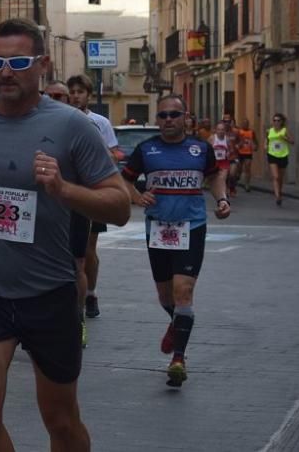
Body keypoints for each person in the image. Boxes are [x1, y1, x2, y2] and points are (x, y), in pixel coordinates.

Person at [0, 18, 130, 452]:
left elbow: (119, 206)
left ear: (41, 63)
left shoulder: (71, 126)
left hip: (51, 292)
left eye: (18, 62)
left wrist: (64, 189)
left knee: (61, 422)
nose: (6, 71)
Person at [121, 94, 231, 388]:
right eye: (163, 116)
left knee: (184, 292)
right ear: (157, 120)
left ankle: (178, 359)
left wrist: (222, 199)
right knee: (166, 297)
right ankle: (177, 323)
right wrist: (137, 196)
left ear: (186, 117)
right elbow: (125, 179)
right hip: (158, 228)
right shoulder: (146, 149)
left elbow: (215, 176)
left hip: (191, 226)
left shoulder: (200, 149)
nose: (168, 120)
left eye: (174, 114)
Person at [67, 74, 118, 319]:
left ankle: (91, 293)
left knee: (88, 248)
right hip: (67, 192)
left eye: (80, 91)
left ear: (88, 95)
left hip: (93, 192)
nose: (76, 95)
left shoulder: (100, 123)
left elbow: (113, 154)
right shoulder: (60, 120)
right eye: (72, 91)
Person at [44, 82, 89, 348]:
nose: (54, 99)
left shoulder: (82, 126)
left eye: (59, 96)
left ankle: (78, 317)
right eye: (49, 96)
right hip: (42, 206)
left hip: (75, 205)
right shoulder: (31, 124)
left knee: (78, 264)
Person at [266, 113, 294, 206]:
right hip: (272, 154)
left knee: (280, 178)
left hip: (283, 155)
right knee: (276, 176)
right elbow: (267, 140)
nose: (276, 122)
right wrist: (265, 145)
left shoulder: (285, 130)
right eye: (274, 120)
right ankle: (277, 196)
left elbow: (292, 141)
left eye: (278, 120)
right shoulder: (269, 131)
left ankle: (280, 192)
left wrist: (285, 138)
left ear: (282, 122)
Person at [208, 121, 236, 194]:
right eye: (219, 129)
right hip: (215, 162)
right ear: (216, 130)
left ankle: (224, 194)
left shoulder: (227, 139)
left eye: (222, 129)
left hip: (224, 162)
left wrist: (228, 153)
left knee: (222, 178)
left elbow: (232, 150)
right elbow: (207, 149)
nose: (220, 131)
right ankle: (221, 191)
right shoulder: (212, 138)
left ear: (225, 131)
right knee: (216, 179)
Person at [234, 119, 259, 192]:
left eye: (246, 123)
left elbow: (255, 141)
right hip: (239, 153)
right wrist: (237, 146)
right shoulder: (239, 132)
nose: (245, 125)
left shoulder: (251, 132)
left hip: (248, 153)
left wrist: (256, 146)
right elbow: (235, 141)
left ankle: (247, 184)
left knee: (247, 168)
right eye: (244, 123)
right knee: (239, 168)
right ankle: (237, 176)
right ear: (241, 124)